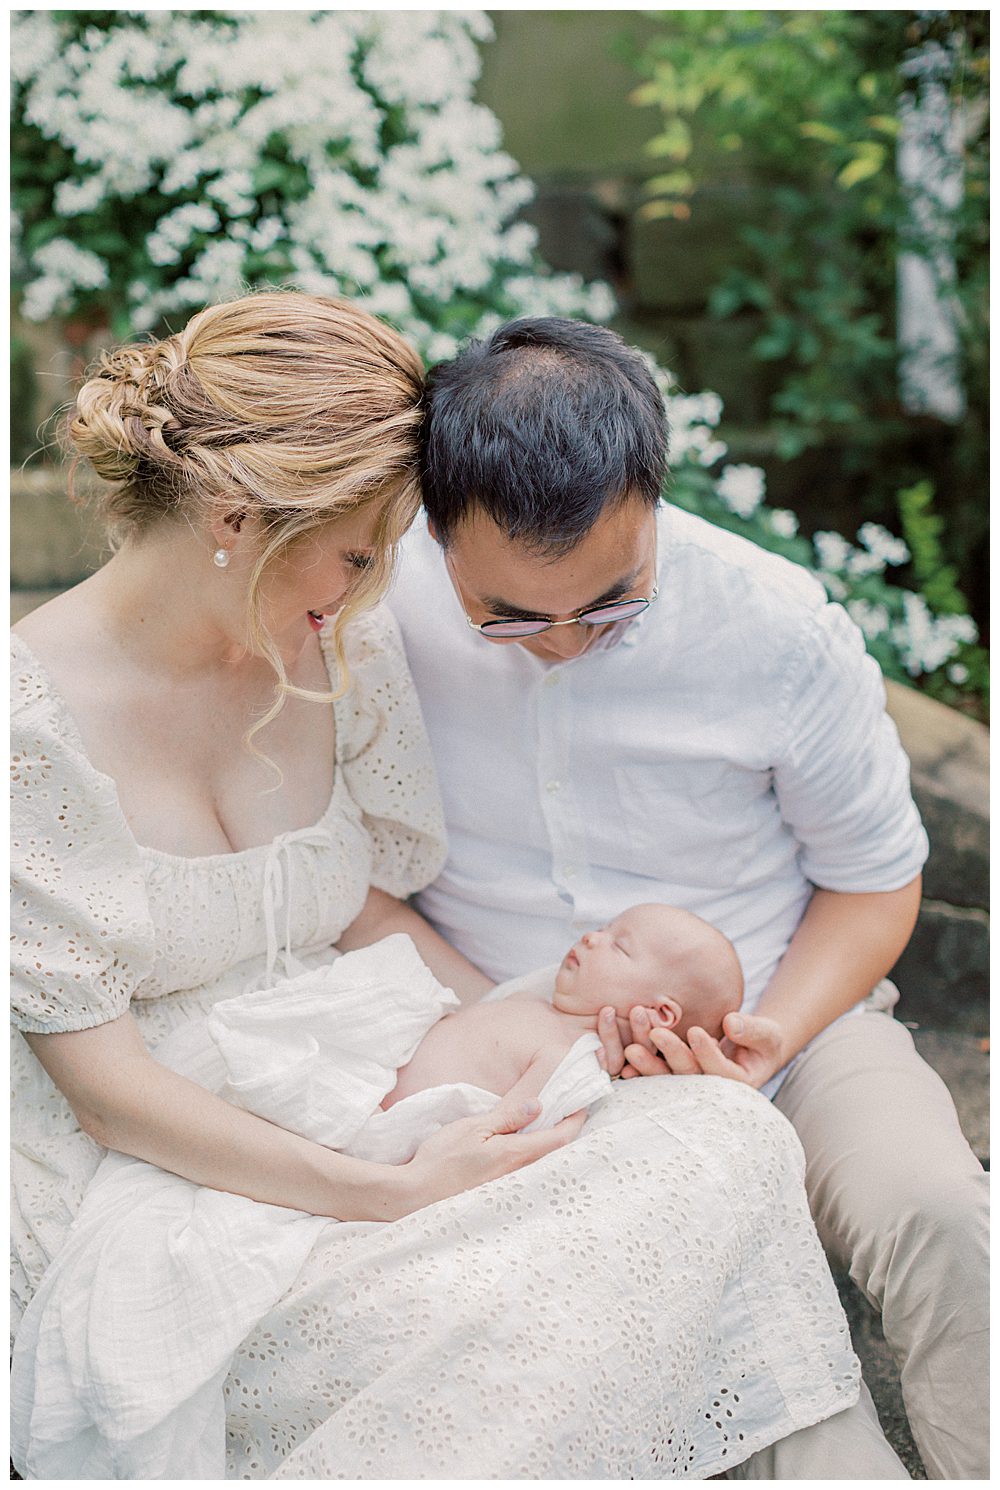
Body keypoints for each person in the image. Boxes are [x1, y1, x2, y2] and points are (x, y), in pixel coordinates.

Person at [11, 290, 880, 1480]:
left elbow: (365, 907)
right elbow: (106, 1090)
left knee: (710, 1132)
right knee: (549, 1275)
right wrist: (380, 1188)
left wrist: (559, 1041)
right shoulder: (28, 729)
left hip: (377, 1073)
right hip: (188, 1163)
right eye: (365, 549)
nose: (378, 585)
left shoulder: (333, 638)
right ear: (234, 515)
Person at [389, 315, 988, 1479]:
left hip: (785, 1018)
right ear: (436, 527)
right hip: (508, 1054)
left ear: (653, 498)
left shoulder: (773, 626)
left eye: (610, 605)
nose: (559, 643)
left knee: (936, 1208)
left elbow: (873, 882)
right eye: (508, 616)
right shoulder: (374, 613)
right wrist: (516, 1040)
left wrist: (769, 1044)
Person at [386, 901, 743, 1108]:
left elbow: (509, 1128)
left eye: (619, 946)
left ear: (660, 1014)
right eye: (604, 928)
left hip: (386, 1124)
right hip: (373, 1069)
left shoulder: (570, 1062)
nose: (591, 937)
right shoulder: (533, 997)